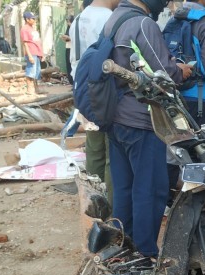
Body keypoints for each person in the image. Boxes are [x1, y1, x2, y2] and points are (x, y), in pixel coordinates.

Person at [105, 0, 192, 257]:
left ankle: (123, 251)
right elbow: (164, 73)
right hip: (142, 121)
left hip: (117, 118)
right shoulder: (144, 23)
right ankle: (144, 255)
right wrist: (181, 70)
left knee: (125, 188)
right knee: (151, 189)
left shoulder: (115, 18)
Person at [69, 0, 119, 203]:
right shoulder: (110, 19)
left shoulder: (78, 19)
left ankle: (94, 202)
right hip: (104, 94)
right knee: (111, 155)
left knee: (94, 150)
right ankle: (112, 206)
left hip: (82, 93)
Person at [20, 12, 44, 94]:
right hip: (31, 52)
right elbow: (25, 43)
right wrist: (29, 55)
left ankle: (36, 88)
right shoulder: (24, 29)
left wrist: (41, 54)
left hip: (37, 53)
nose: (34, 20)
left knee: (37, 72)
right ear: (27, 19)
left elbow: (37, 42)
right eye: (32, 18)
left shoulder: (32, 29)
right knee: (30, 71)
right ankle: (29, 89)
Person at [60, 15, 74, 84]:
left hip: (73, 48)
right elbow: (67, 38)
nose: (68, 23)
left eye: (69, 21)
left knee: (72, 65)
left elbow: (74, 38)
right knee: (68, 65)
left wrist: (68, 37)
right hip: (68, 47)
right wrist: (64, 38)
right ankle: (71, 81)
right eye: (67, 21)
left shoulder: (74, 27)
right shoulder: (68, 28)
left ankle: (73, 82)